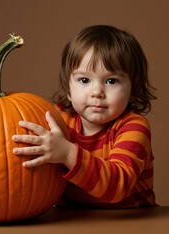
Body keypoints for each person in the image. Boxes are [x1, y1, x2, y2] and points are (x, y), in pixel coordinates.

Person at [12, 25, 157, 208]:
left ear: (133, 90)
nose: (96, 92)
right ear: (69, 90)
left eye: (111, 81)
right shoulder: (59, 120)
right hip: (72, 224)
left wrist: (67, 153)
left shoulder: (134, 127)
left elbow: (117, 186)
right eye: (84, 80)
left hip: (131, 224)